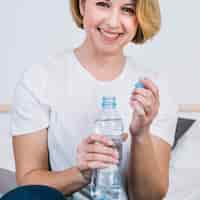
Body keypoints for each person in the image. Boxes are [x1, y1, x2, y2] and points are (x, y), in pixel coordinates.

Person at [9, 0, 177, 199]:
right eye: (103, 4)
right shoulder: (40, 78)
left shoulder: (153, 89)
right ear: (82, 5)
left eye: (127, 9)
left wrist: (141, 134)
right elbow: (28, 185)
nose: (113, 22)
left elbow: (149, 196)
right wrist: (82, 173)